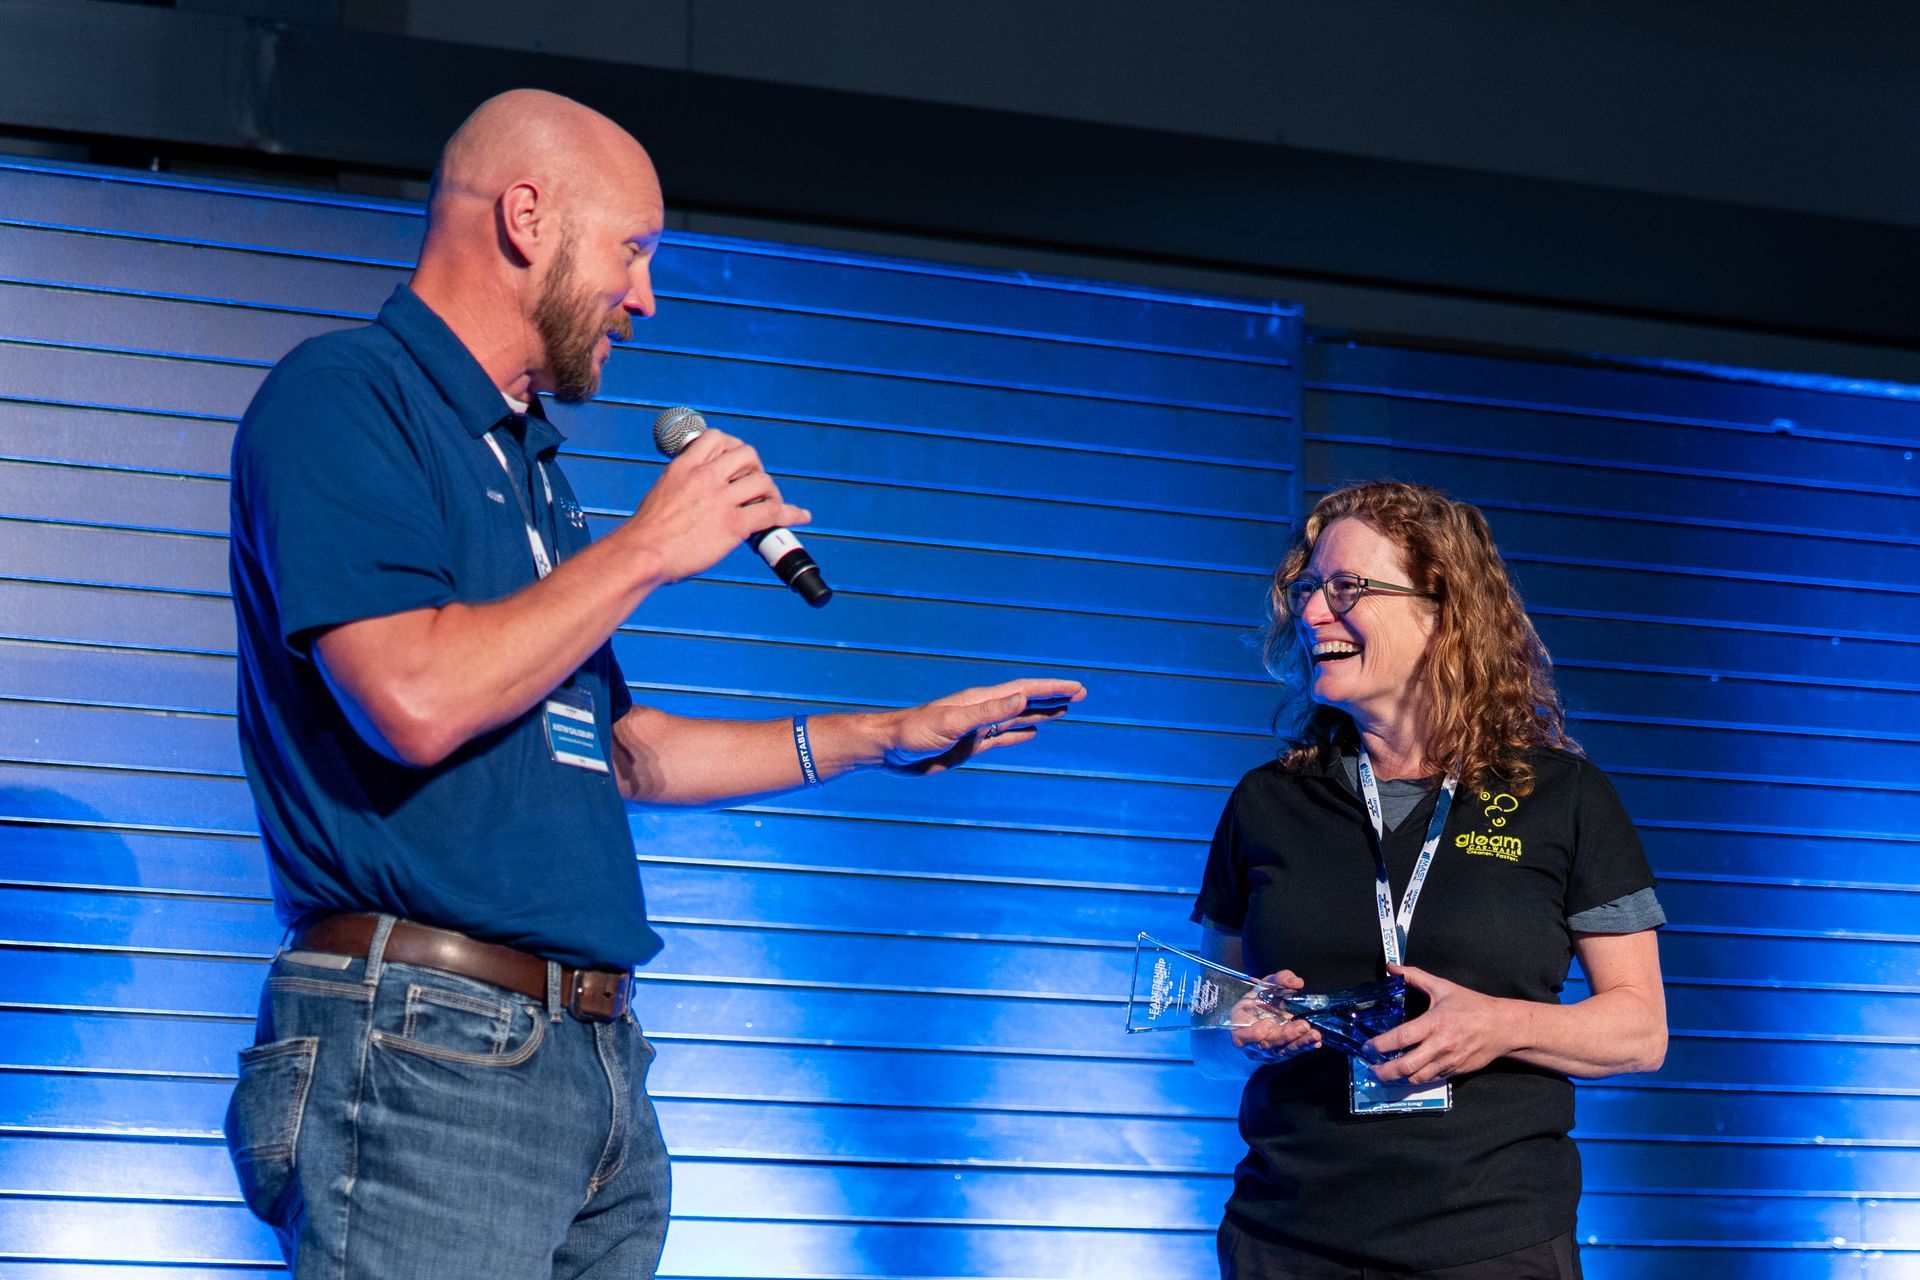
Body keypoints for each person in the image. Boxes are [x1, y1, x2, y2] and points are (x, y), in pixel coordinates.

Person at [222, 89, 1083, 1277]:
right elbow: (411, 698)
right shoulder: (345, 396)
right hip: (429, 1041)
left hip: (589, 1059)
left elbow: (623, 752)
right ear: (526, 216)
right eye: (632, 251)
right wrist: (644, 550)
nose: (645, 296)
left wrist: (883, 732)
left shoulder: (528, 465)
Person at [1189, 480, 1666, 1279]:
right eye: (1307, 590)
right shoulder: (1267, 803)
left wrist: (1498, 1025)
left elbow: (1640, 1032)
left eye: (1347, 590)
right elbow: (1209, 1028)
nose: (1311, 615)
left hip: (1490, 1242)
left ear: (1443, 608)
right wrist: (1238, 1025)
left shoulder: (1561, 796)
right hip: (1284, 1243)